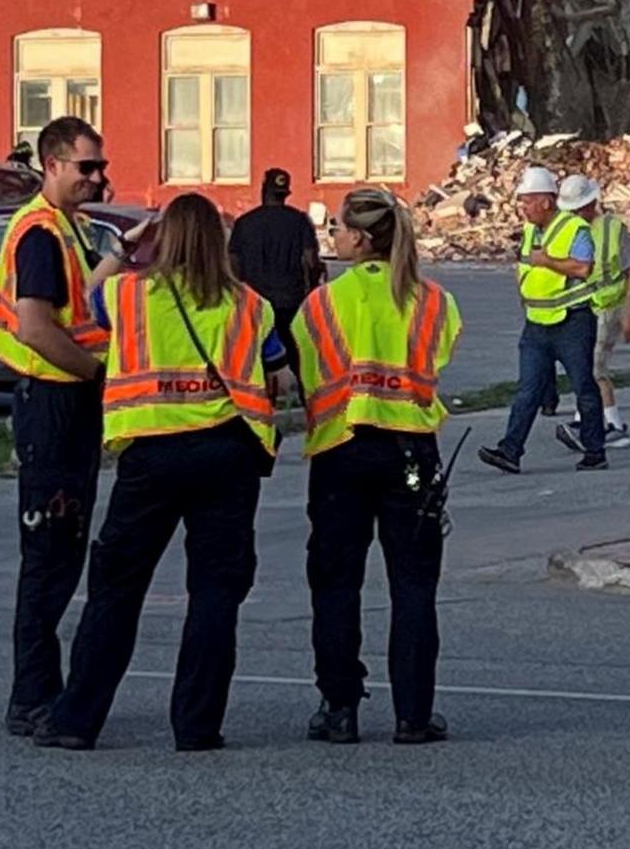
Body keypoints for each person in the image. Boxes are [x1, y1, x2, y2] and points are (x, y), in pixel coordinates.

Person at [34, 193, 282, 752]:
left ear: (161, 239)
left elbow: (85, 302)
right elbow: (277, 375)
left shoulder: (126, 296)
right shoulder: (249, 305)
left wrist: (122, 247)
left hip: (149, 458)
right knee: (216, 593)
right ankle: (196, 726)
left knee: (116, 590)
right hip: (226, 453)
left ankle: (77, 720)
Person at [295, 188, 460, 746]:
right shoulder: (434, 301)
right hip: (410, 453)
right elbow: (440, 357)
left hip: (341, 449)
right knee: (413, 584)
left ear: (361, 239)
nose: (333, 237)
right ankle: (413, 714)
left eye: (339, 227)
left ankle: (339, 707)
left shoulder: (321, 303)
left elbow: (308, 372)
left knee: (336, 582)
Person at [0, 116, 112, 737]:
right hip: (54, 402)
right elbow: (36, 326)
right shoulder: (38, 233)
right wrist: (95, 374)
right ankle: (31, 696)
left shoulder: (71, 230)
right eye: (86, 167)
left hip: (68, 402)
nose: (97, 177)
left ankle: (42, 689)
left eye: (100, 167)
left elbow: (79, 301)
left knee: (63, 553)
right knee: (50, 554)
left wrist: (117, 259)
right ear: (52, 164)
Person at [478, 166, 606, 475]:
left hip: (572, 322)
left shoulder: (575, 229)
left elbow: (582, 268)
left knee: (583, 386)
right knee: (528, 389)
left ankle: (594, 450)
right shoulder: (530, 231)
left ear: (547, 201)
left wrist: (547, 260)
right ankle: (510, 451)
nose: (522, 208)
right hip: (536, 323)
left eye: (527, 201)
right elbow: (525, 267)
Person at [553, 174, 630, 452]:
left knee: (595, 368)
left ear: (592, 203)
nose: (575, 214)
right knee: (583, 366)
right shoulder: (569, 229)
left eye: (578, 208)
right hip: (584, 308)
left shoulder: (612, 229)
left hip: (608, 307)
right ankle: (586, 421)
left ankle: (614, 425)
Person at [229, 167, 324, 387]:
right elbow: (311, 260)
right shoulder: (299, 221)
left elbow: (233, 263)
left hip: (255, 302)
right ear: (285, 193)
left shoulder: (244, 223)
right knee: (295, 353)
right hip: (291, 301)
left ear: (264, 190)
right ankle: (300, 398)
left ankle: (263, 399)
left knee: (256, 357)